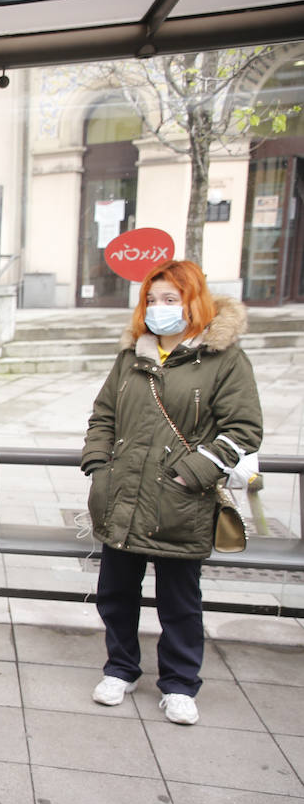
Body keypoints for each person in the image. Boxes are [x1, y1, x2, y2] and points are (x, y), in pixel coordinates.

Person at [82, 260, 261, 726]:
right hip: (122, 495)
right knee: (115, 592)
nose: (160, 309)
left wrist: (191, 473)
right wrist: (99, 467)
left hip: (181, 500)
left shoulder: (222, 359)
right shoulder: (132, 355)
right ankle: (120, 668)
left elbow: (243, 429)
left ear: (193, 302)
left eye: (171, 299)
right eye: (153, 299)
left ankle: (180, 683)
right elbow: (103, 415)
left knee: (180, 601)